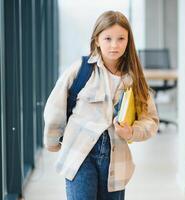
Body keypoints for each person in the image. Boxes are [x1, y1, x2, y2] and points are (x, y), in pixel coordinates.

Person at [43, 10, 159, 200]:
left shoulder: (134, 79)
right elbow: (55, 106)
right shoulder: (81, 70)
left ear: (128, 41)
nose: (115, 45)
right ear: (97, 40)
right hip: (80, 153)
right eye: (108, 38)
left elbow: (150, 120)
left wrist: (131, 132)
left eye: (121, 38)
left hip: (116, 160)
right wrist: (53, 141)